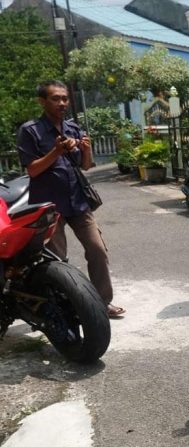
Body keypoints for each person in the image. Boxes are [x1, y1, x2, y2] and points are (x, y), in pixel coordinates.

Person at [16, 80, 124, 318]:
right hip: (49, 206)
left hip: (78, 201)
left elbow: (85, 166)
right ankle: (63, 306)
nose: (62, 103)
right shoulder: (30, 130)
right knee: (59, 260)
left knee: (98, 250)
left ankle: (102, 303)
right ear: (42, 101)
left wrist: (86, 149)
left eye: (65, 98)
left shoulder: (73, 128)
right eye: (56, 98)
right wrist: (56, 151)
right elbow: (32, 170)